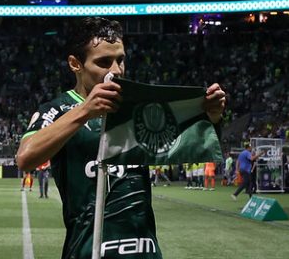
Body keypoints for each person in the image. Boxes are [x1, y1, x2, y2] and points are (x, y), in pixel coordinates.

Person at [15, 17, 226, 259]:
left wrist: (211, 116)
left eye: (120, 60)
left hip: (145, 251)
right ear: (75, 64)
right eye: (104, 62)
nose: (116, 70)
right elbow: (25, 158)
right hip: (87, 251)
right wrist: (85, 111)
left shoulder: (137, 109)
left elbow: (184, 142)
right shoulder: (59, 109)